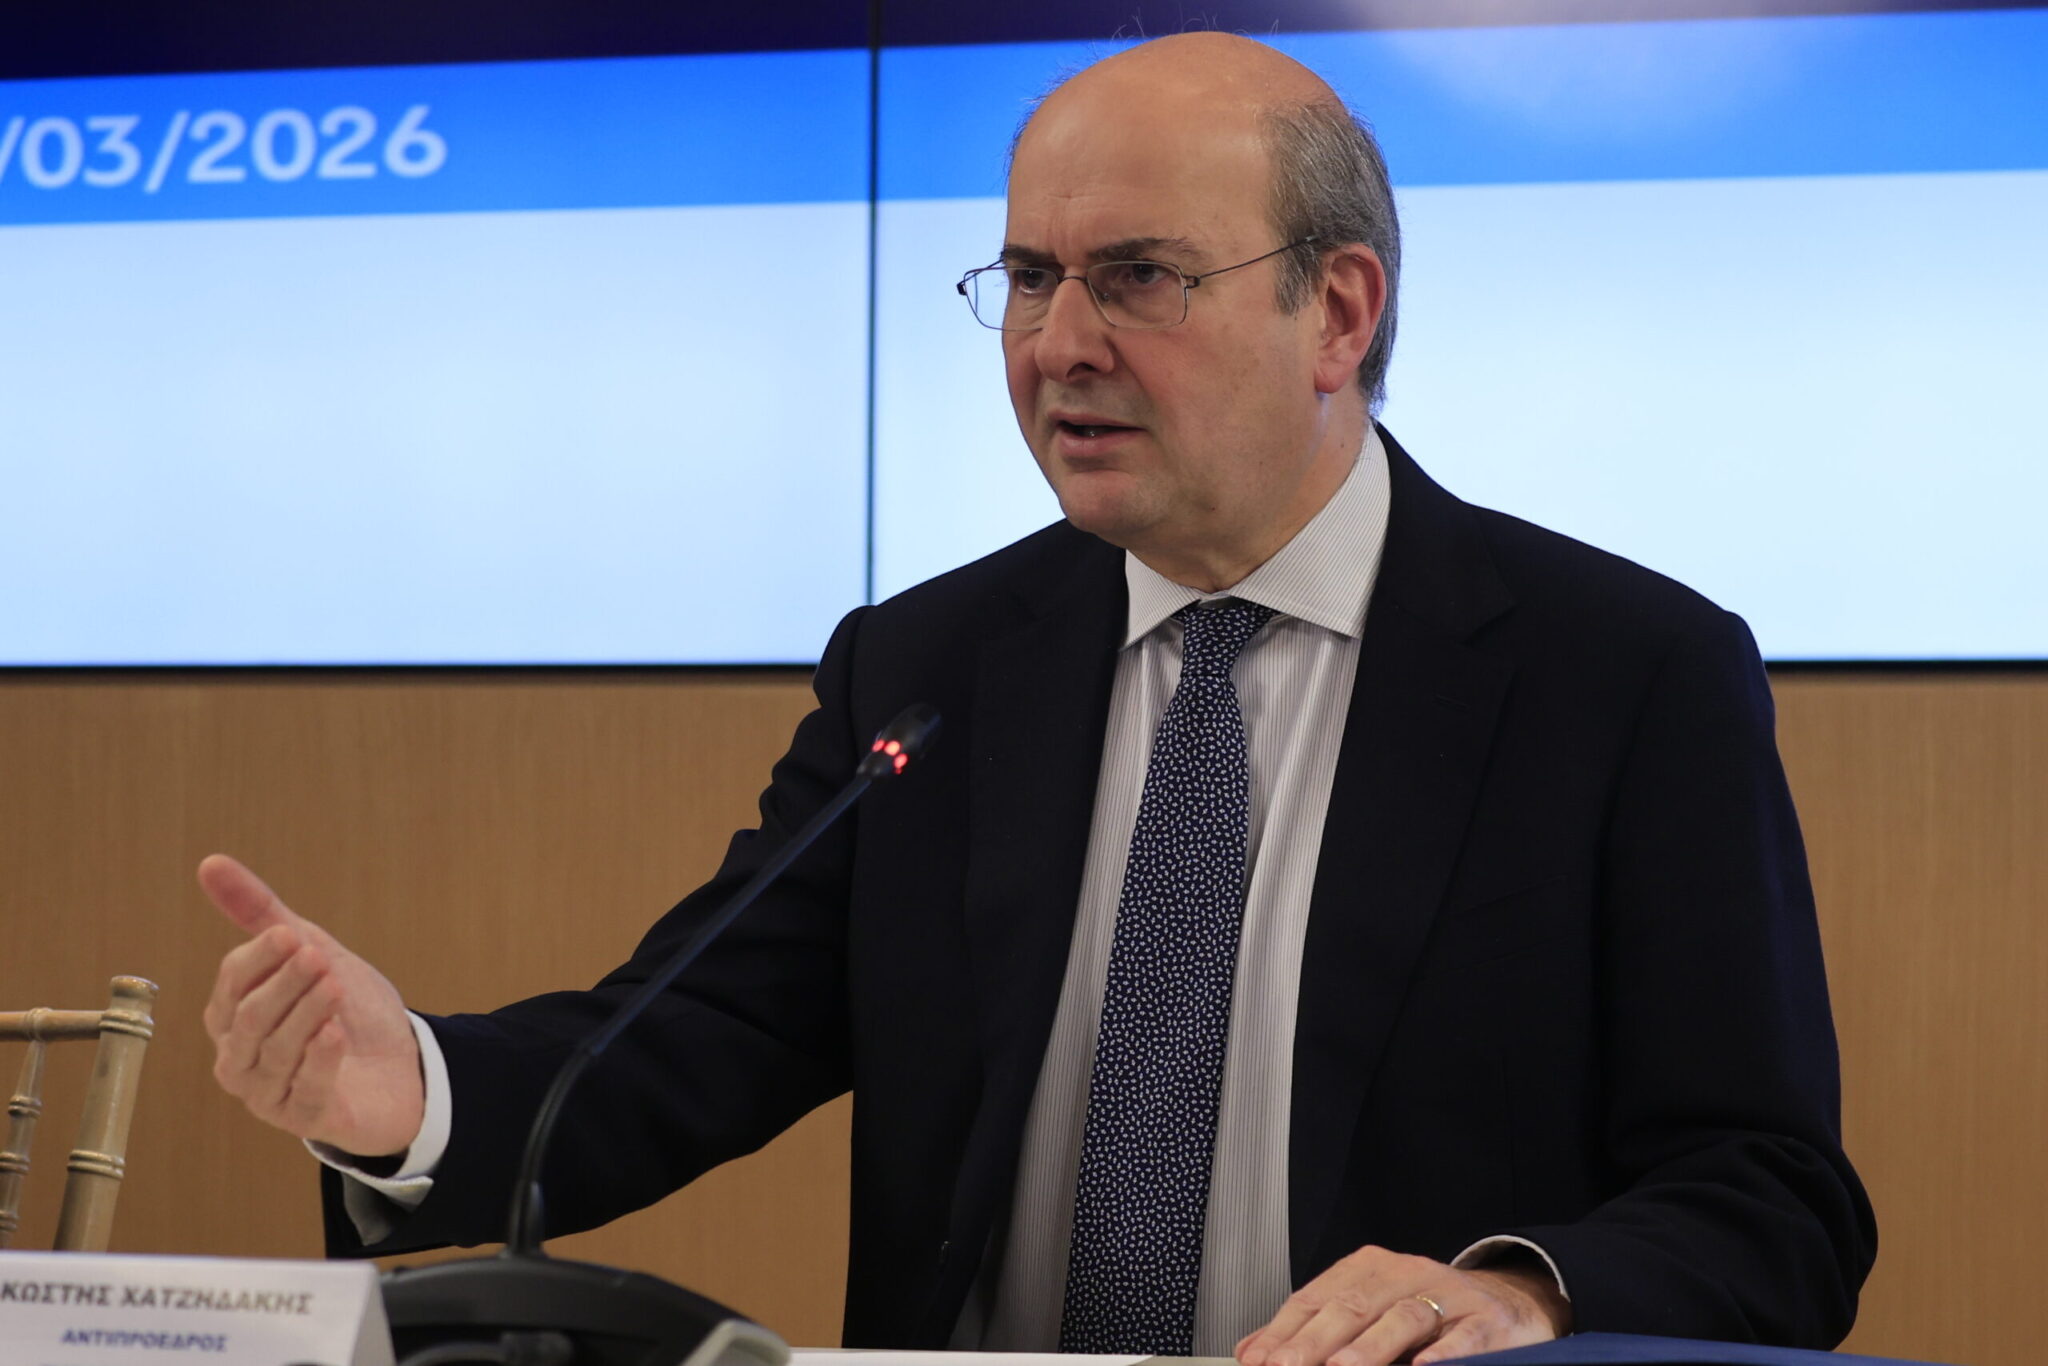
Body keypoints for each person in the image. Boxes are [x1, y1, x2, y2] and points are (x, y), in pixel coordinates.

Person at [199, 32, 1875, 1366]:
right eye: (1026, 276)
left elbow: (1771, 1195)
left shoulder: (1620, 674)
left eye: (1138, 276)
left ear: (1337, 310)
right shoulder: (930, 665)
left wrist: (1517, 1292)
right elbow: (687, 1038)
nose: (1056, 342)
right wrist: (411, 1087)